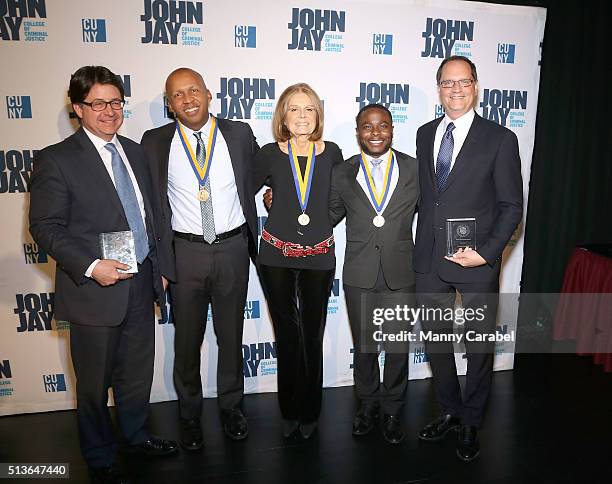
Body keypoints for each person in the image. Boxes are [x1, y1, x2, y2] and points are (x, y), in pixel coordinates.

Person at [29, 65, 177, 484]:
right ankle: (98, 453)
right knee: (93, 384)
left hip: (141, 280)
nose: (109, 111)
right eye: (98, 103)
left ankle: (135, 437)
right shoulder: (57, 159)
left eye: (115, 102)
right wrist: (94, 267)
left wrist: (160, 267)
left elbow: (154, 214)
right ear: (78, 108)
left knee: (136, 374)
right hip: (95, 289)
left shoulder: (136, 151)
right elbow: (45, 227)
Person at [140, 68, 258, 449]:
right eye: (177, 95)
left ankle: (231, 407)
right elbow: (148, 205)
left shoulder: (239, 134)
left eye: (194, 90)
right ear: (169, 104)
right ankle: (189, 414)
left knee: (230, 336)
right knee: (187, 341)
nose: (188, 99)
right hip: (184, 251)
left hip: (233, 249)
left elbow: (261, 177)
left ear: (209, 94)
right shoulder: (155, 142)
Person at [413, 55, 523, 461]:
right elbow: (429, 197)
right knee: (438, 343)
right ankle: (449, 411)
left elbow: (512, 206)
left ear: (476, 87)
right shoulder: (426, 134)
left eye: (464, 82)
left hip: (475, 262)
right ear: (438, 87)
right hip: (429, 260)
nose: (455, 90)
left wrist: (487, 254)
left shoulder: (500, 138)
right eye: (447, 83)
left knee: (478, 346)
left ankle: (472, 422)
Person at [253, 83, 343, 439]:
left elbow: (340, 200)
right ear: (283, 116)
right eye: (294, 109)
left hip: (319, 257)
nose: (302, 116)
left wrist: (322, 222)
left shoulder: (333, 153)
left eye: (309, 109)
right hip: (275, 256)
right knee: (287, 333)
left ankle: (311, 409)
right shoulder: (269, 154)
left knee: (312, 333)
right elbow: (243, 192)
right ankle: (289, 408)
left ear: (317, 116)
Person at [328, 104, 419, 444]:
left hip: (401, 272)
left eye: (383, 126)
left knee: (397, 347)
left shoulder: (414, 168)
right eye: (368, 126)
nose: (376, 132)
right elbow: (328, 214)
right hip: (359, 272)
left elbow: (438, 209)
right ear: (358, 132)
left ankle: (393, 408)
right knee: (365, 346)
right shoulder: (342, 172)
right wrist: (282, 207)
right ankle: (367, 405)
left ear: (392, 129)